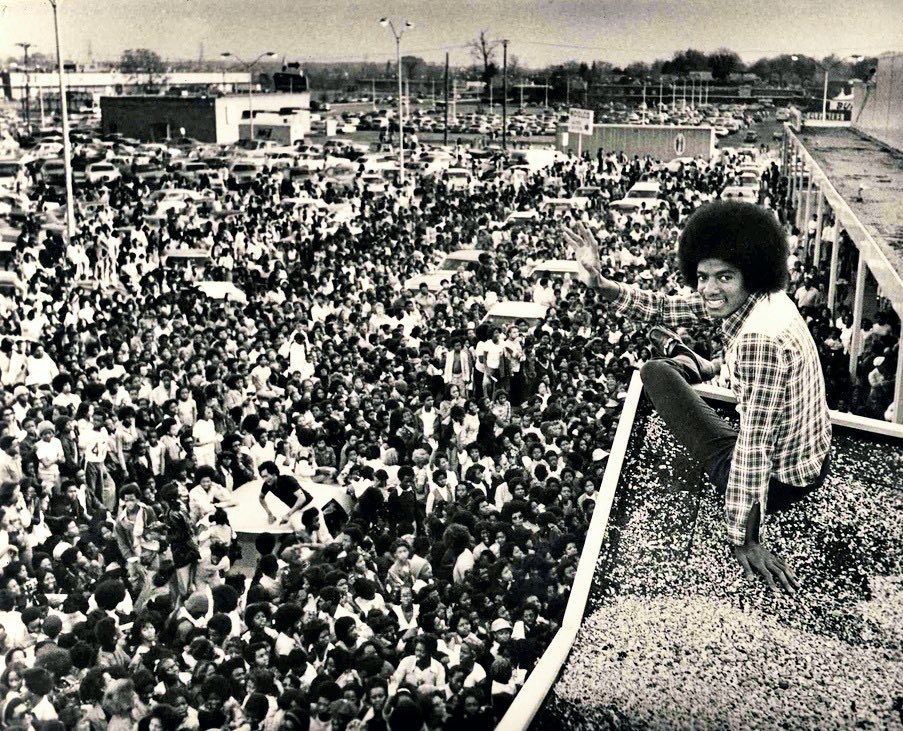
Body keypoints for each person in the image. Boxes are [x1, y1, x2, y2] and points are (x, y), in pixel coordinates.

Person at [565, 201, 832, 592]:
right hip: (811, 455)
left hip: (782, 479)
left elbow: (754, 449)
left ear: (750, 272)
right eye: (703, 276)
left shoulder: (759, 338)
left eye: (723, 277)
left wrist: (746, 538)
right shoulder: (766, 301)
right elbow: (665, 307)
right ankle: (710, 366)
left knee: (654, 372)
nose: (709, 288)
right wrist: (602, 284)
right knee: (686, 364)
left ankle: (701, 365)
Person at [257, 460, 312, 527]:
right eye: (262, 477)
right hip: (297, 510)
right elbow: (261, 498)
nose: (264, 479)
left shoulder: (288, 480)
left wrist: (288, 514)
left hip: (310, 506)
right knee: (298, 529)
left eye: (266, 476)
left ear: (274, 474)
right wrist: (269, 514)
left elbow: (302, 498)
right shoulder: (267, 485)